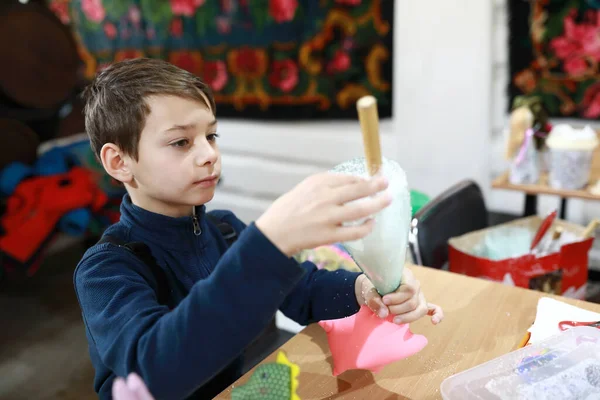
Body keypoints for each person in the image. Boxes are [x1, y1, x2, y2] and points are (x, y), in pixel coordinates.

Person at [74, 58, 444, 400]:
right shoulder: (106, 270)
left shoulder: (226, 230)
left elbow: (304, 290)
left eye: (211, 136)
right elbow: (154, 372)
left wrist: (366, 289)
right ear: (119, 162)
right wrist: (269, 242)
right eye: (181, 142)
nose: (208, 154)